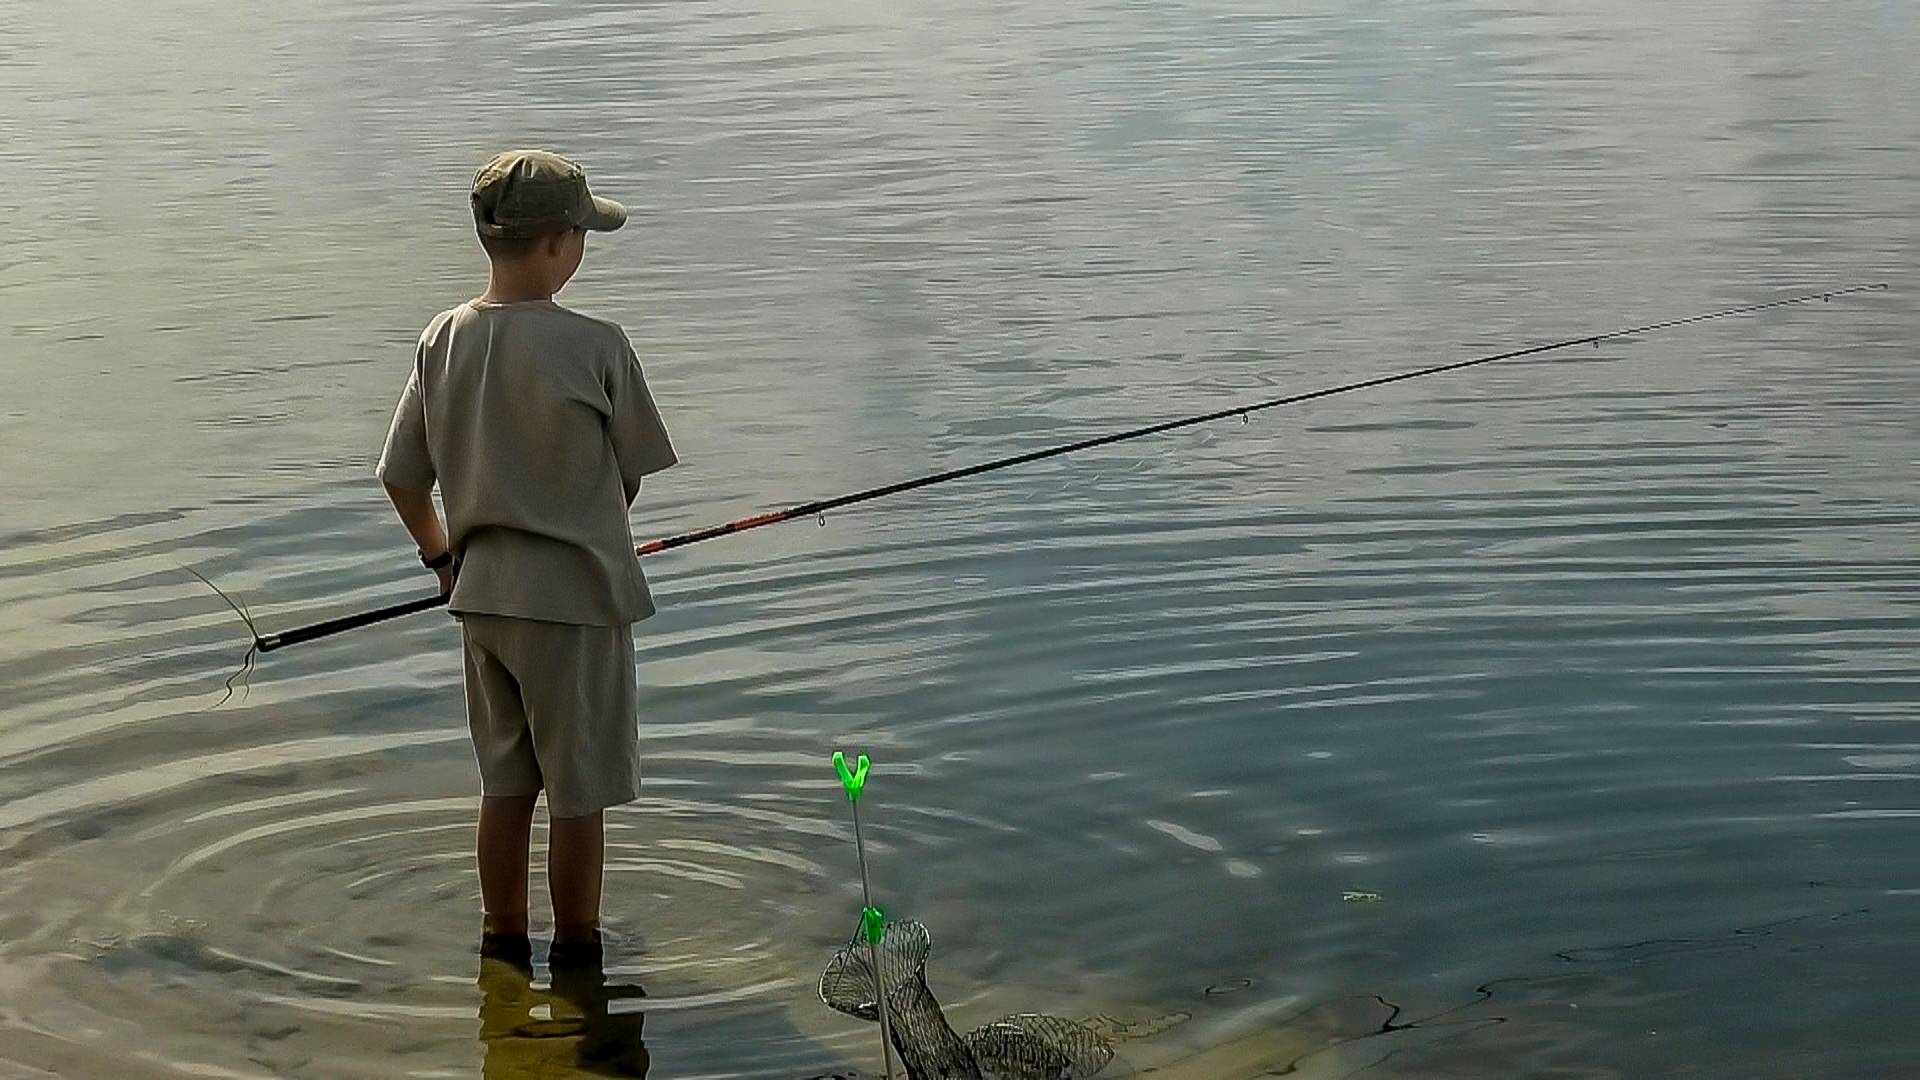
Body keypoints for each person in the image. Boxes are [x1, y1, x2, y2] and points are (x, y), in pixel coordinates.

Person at [377, 149, 677, 967]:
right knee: (580, 794)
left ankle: (501, 940)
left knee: (506, 787)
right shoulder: (599, 348)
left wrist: (444, 561)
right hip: (578, 606)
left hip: (482, 605)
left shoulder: (440, 342)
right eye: (581, 234)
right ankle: (579, 951)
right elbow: (627, 480)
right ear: (557, 244)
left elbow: (402, 479)